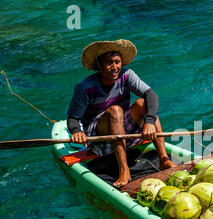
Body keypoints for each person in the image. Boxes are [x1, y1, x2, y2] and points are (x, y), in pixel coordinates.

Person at [67, 39, 176, 187]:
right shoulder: (84, 87)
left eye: (117, 62)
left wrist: (149, 122)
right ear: (99, 65)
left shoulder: (127, 75)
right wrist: (77, 131)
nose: (114, 67)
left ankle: (163, 159)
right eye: (108, 63)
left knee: (144, 103)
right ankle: (124, 170)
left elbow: (151, 95)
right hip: (99, 136)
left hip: (123, 130)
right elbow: (73, 118)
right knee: (115, 110)